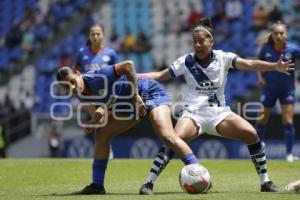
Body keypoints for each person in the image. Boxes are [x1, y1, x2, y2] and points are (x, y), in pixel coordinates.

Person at [139, 17, 294, 194]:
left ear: (211, 41)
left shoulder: (223, 58)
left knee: (251, 134)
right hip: (193, 114)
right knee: (174, 140)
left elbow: (250, 64)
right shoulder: (186, 61)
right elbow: (160, 76)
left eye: (201, 41)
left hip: (219, 113)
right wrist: (134, 76)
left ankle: (265, 182)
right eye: (194, 42)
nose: (197, 45)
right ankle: (148, 183)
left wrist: (275, 66)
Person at [56, 61, 201, 195]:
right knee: (101, 133)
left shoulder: (98, 77)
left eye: (72, 82)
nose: (73, 88)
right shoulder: (81, 95)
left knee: (166, 135)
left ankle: (199, 173)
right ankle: (97, 186)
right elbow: (102, 111)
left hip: (149, 92)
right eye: (67, 87)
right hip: (129, 107)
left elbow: (128, 65)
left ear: (77, 72)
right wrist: (93, 122)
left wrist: (134, 96)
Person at [255, 21, 300, 162]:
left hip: (287, 89)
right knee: (262, 119)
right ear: (272, 35)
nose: (279, 35)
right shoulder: (265, 49)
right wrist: (260, 77)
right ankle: (258, 148)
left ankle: (289, 154)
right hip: (269, 89)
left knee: (288, 121)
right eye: (276, 33)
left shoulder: (293, 49)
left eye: (281, 33)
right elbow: (258, 64)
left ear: (286, 34)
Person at [74, 24, 119, 159]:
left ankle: (104, 149)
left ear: (103, 35)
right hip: (89, 95)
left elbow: (118, 71)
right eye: (93, 34)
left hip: (105, 94)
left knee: (102, 123)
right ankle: (105, 149)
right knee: (99, 122)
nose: (95, 36)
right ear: (89, 36)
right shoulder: (82, 53)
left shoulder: (110, 54)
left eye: (98, 34)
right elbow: (75, 71)